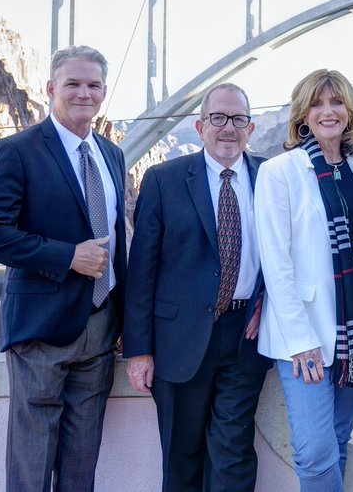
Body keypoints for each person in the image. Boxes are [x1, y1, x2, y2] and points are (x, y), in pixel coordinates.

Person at [0, 45, 127, 491]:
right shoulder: (16, 151)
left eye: (93, 85)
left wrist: (125, 321)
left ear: (103, 92)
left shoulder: (111, 155)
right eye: (73, 84)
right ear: (50, 89)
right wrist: (67, 256)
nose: (84, 93)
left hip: (100, 329)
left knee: (81, 465)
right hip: (40, 332)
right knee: (32, 465)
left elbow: (119, 241)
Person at [123, 83, 273, 491]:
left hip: (246, 336)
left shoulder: (271, 178)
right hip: (179, 339)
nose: (229, 128)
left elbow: (286, 255)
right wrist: (139, 349)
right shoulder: (164, 180)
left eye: (238, 119)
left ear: (251, 128)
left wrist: (268, 302)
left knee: (234, 453)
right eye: (218, 118)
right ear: (199, 126)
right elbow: (142, 272)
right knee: (182, 457)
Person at [255, 69, 353, 491]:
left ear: (349, 111)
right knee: (313, 450)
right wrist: (299, 338)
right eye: (317, 104)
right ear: (302, 115)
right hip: (303, 335)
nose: (328, 111)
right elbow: (276, 262)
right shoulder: (279, 171)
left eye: (337, 102)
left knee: (337, 443)